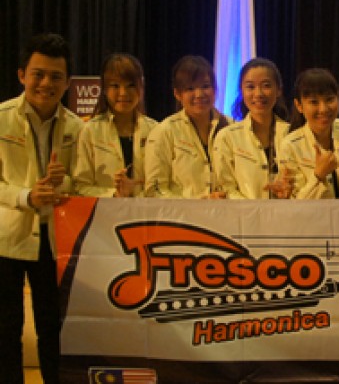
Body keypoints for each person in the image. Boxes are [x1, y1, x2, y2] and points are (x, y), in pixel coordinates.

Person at [0, 33, 84, 384]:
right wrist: (26, 197)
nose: (46, 83)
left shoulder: (77, 127)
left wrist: (61, 184)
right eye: (38, 74)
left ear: (67, 82)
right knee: (6, 332)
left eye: (56, 76)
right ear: (22, 75)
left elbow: (79, 185)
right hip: (7, 241)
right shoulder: (2, 117)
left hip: (54, 244)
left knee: (54, 331)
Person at [144, 55, 231, 198]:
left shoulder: (231, 127)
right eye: (190, 88)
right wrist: (195, 203)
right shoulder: (164, 131)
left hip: (227, 215)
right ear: (177, 94)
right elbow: (155, 190)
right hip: (181, 218)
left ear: (215, 89)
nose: (199, 94)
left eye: (205, 86)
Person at [73, 53, 158, 197]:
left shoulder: (155, 130)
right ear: (104, 90)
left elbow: (160, 185)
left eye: (131, 85)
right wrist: (114, 194)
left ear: (141, 87)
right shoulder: (90, 131)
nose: (123, 93)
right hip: (105, 216)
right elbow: (80, 186)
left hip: (146, 215)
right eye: (115, 86)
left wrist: (139, 193)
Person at [213, 58, 293, 199]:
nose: (258, 93)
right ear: (241, 91)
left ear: (278, 90)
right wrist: (254, 212)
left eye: (266, 85)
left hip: (285, 216)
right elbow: (227, 189)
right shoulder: (227, 137)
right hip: (242, 217)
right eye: (250, 87)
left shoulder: (291, 134)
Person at [280, 68, 339, 199]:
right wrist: (319, 175)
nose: (323, 109)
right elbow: (296, 203)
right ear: (299, 105)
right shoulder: (290, 145)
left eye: (329, 99)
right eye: (314, 102)